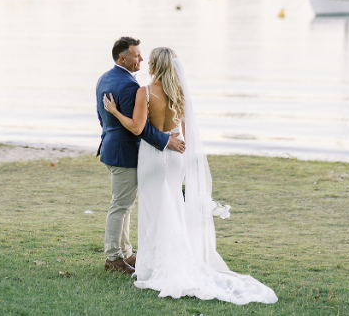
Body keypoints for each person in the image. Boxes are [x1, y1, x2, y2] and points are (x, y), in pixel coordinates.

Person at [103, 46, 278, 305]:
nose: (147, 64)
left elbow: (138, 128)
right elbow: (185, 132)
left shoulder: (145, 92)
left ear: (157, 65)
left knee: (152, 208)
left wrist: (115, 111)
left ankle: (152, 267)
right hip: (176, 158)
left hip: (152, 157)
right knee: (173, 204)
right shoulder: (180, 94)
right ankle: (173, 260)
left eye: (150, 61)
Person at [96, 37, 185, 275]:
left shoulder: (104, 78)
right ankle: (114, 257)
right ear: (122, 58)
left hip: (112, 147)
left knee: (127, 204)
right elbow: (140, 127)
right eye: (136, 55)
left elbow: (103, 117)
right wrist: (168, 140)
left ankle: (126, 252)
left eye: (143, 55)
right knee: (122, 204)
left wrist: (110, 128)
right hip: (125, 152)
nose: (141, 59)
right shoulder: (131, 87)